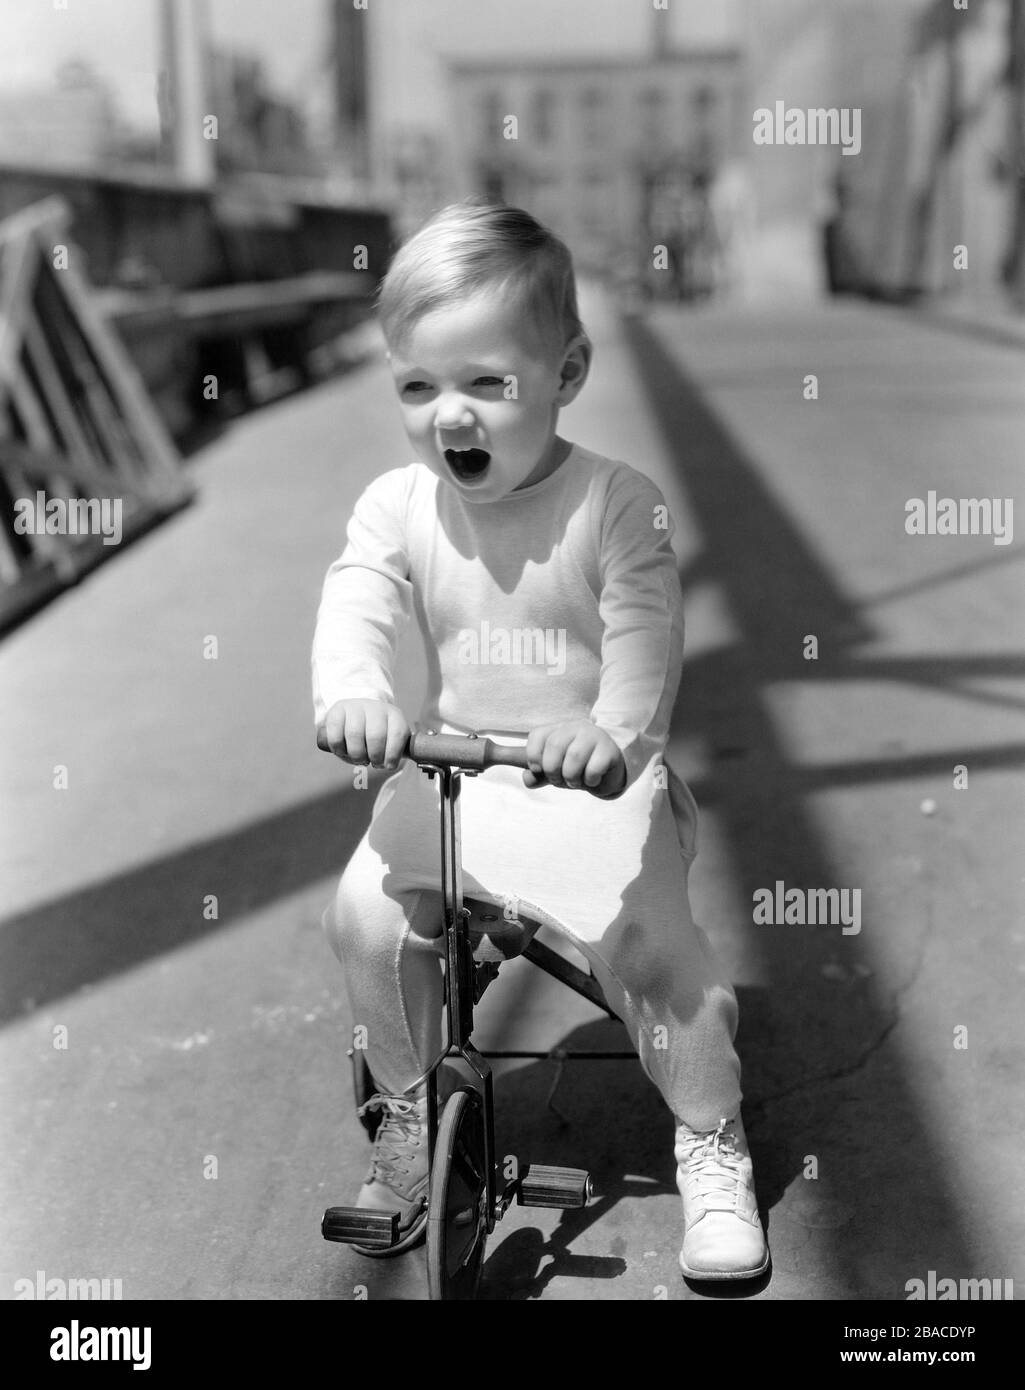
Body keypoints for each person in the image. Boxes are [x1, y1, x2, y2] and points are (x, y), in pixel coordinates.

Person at [312, 198, 769, 1281]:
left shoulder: (615, 505)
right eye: (417, 386)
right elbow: (358, 601)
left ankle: (710, 1132)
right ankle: (410, 1111)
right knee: (364, 917)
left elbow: (645, 634)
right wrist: (356, 693)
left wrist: (608, 728)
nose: (448, 416)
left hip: (593, 778)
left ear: (565, 374)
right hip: (460, 766)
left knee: (657, 954)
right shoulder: (397, 507)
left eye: (486, 383)